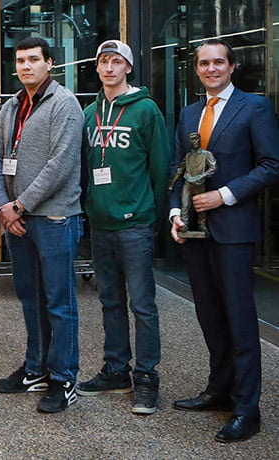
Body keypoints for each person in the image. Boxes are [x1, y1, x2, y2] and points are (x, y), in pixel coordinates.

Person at [169, 38, 279, 443]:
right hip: (195, 230)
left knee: (240, 319)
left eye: (218, 62)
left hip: (233, 229)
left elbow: (271, 165)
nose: (211, 69)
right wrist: (175, 212)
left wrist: (225, 194)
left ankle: (247, 410)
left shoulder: (255, 107)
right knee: (210, 316)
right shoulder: (189, 113)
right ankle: (219, 391)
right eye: (204, 63)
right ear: (196, 69)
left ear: (231, 67)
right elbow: (178, 169)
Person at [76, 40, 171, 415]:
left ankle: (146, 376)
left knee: (143, 304)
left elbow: (160, 167)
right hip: (100, 222)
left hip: (135, 223)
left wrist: (153, 216)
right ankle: (116, 368)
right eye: (103, 62)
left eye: (117, 62)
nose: (109, 68)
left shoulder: (146, 111)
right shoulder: (89, 113)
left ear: (128, 68)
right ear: (97, 68)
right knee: (109, 301)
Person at [0, 37, 84, 413]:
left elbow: (60, 165)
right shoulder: (12, 106)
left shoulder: (65, 104)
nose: (26, 66)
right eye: (21, 60)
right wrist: (4, 206)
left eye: (34, 60)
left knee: (59, 302)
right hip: (18, 220)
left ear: (50, 63)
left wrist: (20, 204)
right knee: (29, 298)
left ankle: (63, 378)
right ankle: (35, 368)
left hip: (55, 217)